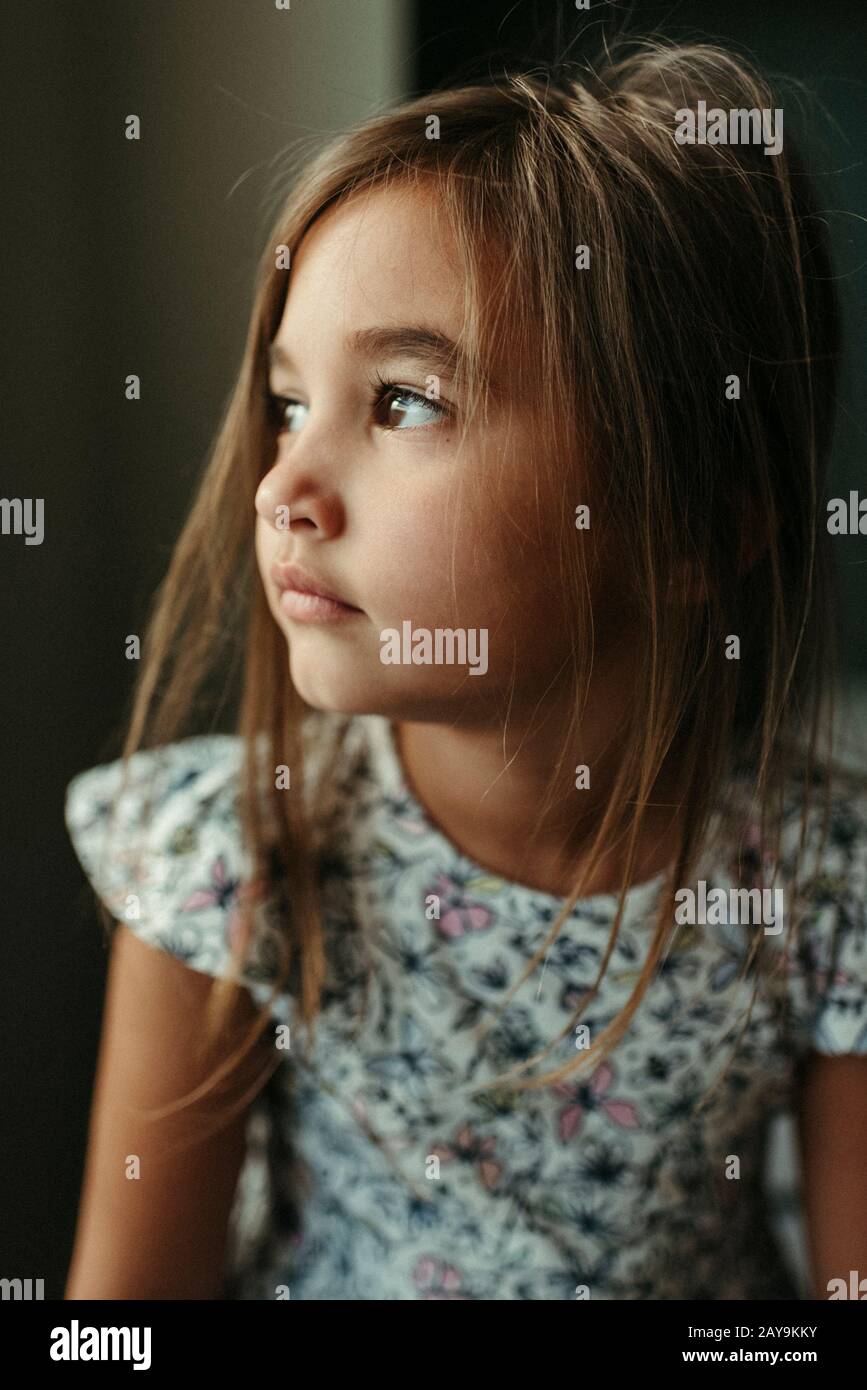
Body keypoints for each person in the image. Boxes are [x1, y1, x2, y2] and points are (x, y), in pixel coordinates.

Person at [63, 37, 867, 1300]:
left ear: (690, 530)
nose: (281, 491)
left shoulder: (820, 888)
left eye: (406, 402)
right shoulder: (235, 859)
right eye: (287, 403)